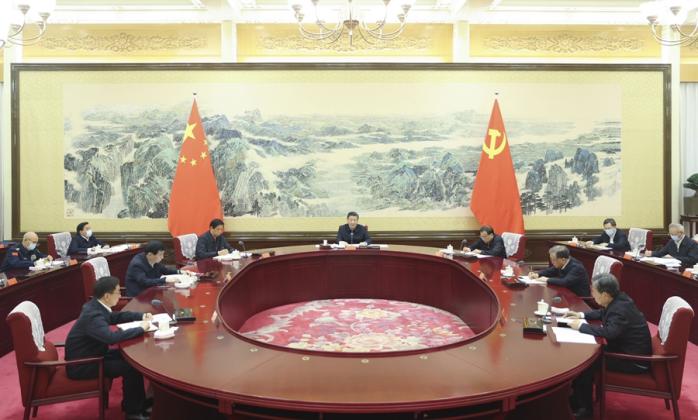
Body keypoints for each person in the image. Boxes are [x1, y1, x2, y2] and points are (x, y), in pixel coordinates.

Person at [564, 274, 652, 419]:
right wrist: (580, 315)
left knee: (586, 364)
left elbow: (610, 333)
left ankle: (585, 410)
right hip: (622, 348)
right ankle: (576, 399)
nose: (592, 294)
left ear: (605, 294)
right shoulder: (618, 299)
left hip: (632, 360)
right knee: (585, 358)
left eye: (594, 291)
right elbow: (602, 313)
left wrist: (580, 326)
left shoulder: (619, 310)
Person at [65, 276, 153, 420]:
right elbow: (111, 338)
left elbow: (115, 317)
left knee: (132, 359)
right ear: (107, 296)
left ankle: (139, 403)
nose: (120, 295)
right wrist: (140, 329)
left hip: (95, 354)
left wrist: (141, 316)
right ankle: (132, 412)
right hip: (83, 364)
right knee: (129, 367)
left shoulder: (97, 306)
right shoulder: (93, 315)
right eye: (118, 292)